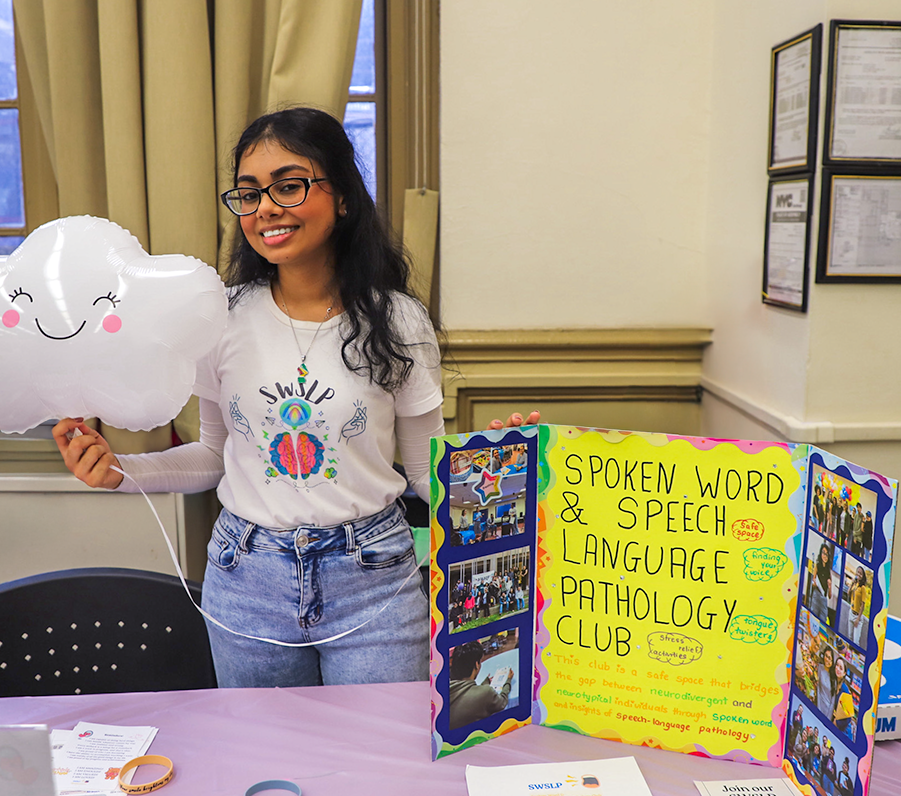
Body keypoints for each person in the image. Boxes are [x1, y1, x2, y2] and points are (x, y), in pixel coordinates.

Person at [53, 107, 538, 688]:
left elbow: (424, 474)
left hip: (375, 578)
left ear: (343, 199)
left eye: (289, 186)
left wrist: (500, 468)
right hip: (246, 578)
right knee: (267, 766)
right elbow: (213, 455)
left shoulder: (399, 321)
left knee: (372, 771)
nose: (266, 209)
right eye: (250, 193)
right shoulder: (221, 316)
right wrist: (120, 471)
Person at [447, 640, 511, 730]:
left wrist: (485, 682)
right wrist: (508, 680)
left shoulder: (445, 689)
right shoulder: (486, 692)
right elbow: (502, 703)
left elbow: (466, 692)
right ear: (476, 664)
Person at [816, 647, 837, 717]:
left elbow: (832, 701)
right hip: (818, 704)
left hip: (827, 710)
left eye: (830, 658)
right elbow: (818, 689)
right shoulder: (819, 668)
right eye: (826, 656)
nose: (827, 660)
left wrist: (828, 717)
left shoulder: (833, 677)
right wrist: (818, 707)